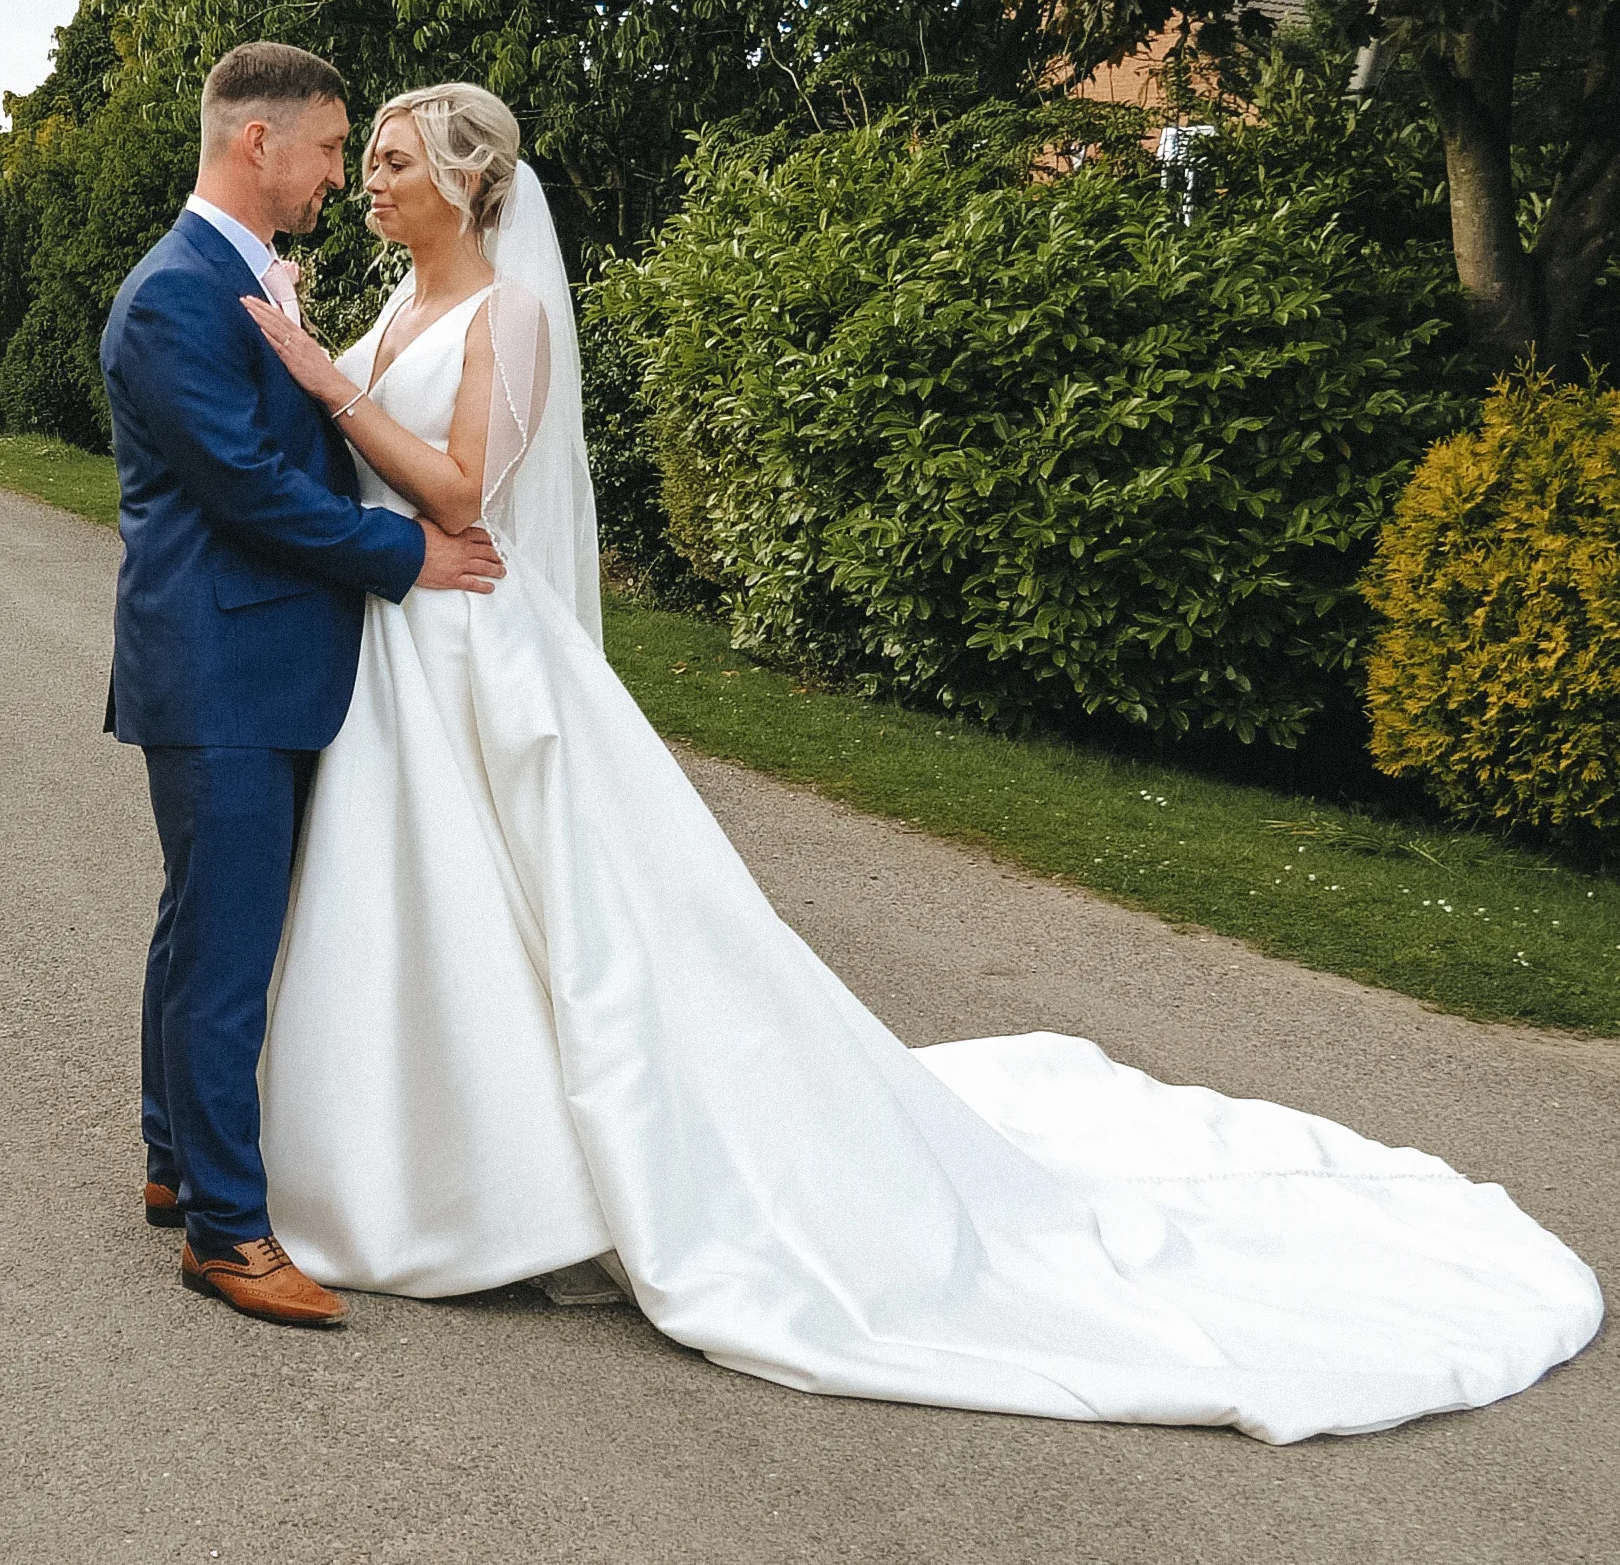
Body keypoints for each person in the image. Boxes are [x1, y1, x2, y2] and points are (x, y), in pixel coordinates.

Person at [248, 80, 1602, 1444]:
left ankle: (545, 1186)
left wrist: (323, 387)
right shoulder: (391, 309)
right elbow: (365, 451)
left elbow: (467, 487)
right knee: (436, 913)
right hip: (403, 645)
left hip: (473, 641)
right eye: (366, 157)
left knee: (562, 922)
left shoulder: (511, 314)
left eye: (394, 157)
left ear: (470, 182)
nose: (369, 176)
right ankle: (439, 1163)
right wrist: (321, 360)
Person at [101, 43, 506, 1331]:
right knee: (225, 954)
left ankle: (176, 1161)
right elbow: (245, 487)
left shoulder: (239, 279)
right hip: (223, 664)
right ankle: (227, 1232)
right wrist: (411, 554)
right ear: (256, 144)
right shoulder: (177, 295)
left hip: (238, 656)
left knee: (197, 928)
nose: (341, 172)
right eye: (331, 148)